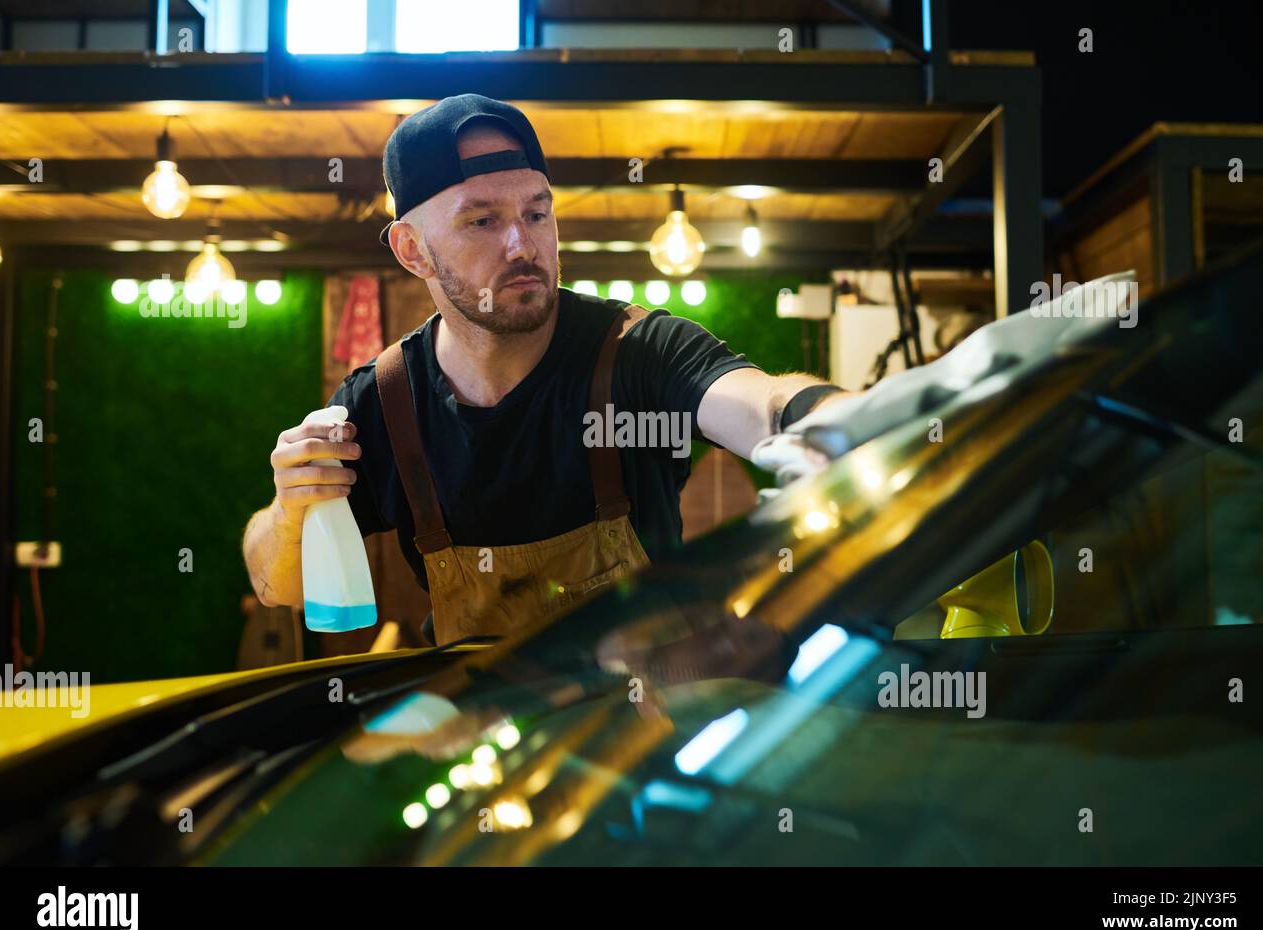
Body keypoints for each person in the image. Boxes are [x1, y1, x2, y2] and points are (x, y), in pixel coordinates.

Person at [242, 93, 847, 646]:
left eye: (536, 214)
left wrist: (839, 420)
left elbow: (761, 403)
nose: (522, 246)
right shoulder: (385, 402)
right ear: (411, 250)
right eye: (482, 221)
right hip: (485, 740)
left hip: (641, 729)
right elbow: (278, 588)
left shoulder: (638, 352)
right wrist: (289, 508)